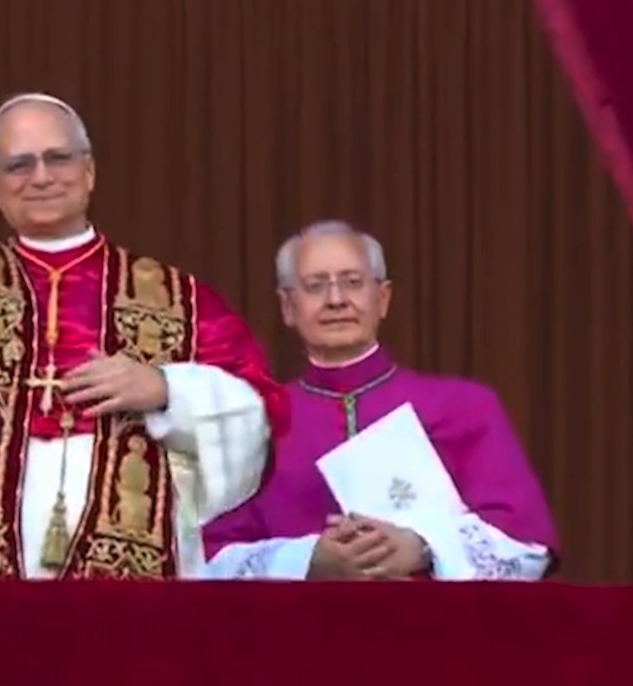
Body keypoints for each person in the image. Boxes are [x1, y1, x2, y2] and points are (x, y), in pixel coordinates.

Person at [0, 36, 289, 579]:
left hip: (133, 572)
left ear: (88, 172)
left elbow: (257, 417)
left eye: (57, 158)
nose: (41, 176)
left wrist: (164, 389)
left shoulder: (176, 298)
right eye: (18, 165)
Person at [201, 220, 559, 580]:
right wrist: (306, 559)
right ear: (288, 307)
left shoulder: (465, 407)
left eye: (353, 282)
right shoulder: (255, 424)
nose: (336, 300)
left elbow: (526, 547)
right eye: (315, 286)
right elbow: (207, 560)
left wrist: (422, 548)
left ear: (382, 298)